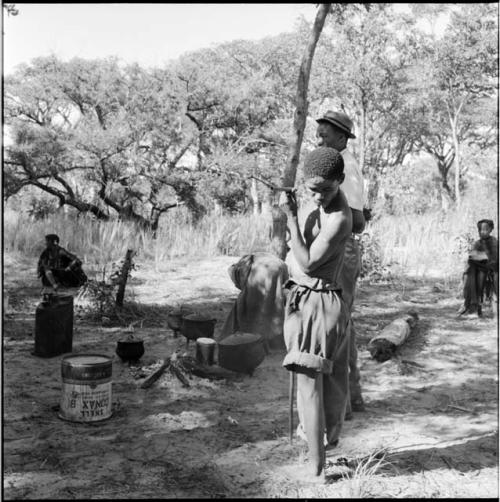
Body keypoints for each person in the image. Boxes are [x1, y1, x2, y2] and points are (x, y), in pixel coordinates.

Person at [280, 147, 351, 481]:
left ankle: (317, 469)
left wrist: (291, 218)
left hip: (320, 304)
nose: (320, 196)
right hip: (305, 298)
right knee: (321, 384)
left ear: (341, 181)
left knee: (311, 389)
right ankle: (320, 452)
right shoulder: (316, 202)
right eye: (313, 190)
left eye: (327, 189)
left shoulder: (339, 217)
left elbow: (308, 262)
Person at [315, 110, 366, 417]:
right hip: (336, 250)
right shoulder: (334, 163)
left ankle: (343, 401)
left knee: (338, 322)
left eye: (325, 136)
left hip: (342, 251)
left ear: (342, 138)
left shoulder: (345, 167)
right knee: (341, 321)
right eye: (318, 135)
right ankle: (351, 397)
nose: (319, 140)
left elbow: (357, 221)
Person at [218, 251, 289, 350]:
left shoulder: (240, 268)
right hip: (279, 267)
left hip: (262, 270)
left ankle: (252, 341)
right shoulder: (251, 260)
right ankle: (274, 341)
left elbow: (242, 282)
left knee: (250, 308)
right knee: (273, 306)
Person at [458, 219, 498, 317]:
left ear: (491, 230)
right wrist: (479, 257)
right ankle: (473, 305)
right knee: (470, 272)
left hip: (491, 268)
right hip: (478, 267)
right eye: (480, 230)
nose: (482, 232)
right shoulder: (477, 243)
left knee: (480, 273)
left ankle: (474, 305)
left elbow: (494, 258)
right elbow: (472, 257)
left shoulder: (493, 241)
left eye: (485, 229)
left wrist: (481, 257)